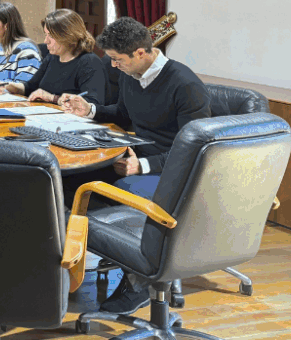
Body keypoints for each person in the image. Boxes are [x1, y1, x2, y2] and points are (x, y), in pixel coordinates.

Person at [59, 16, 211, 315]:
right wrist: (90, 111)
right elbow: (123, 114)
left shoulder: (186, 85)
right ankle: (63, 268)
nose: (114, 66)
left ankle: (139, 279)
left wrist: (141, 165)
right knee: (64, 183)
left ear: (140, 53)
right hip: (134, 156)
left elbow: (195, 152)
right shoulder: (133, 75)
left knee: (116, 189)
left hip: (172, 172)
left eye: (117, 60)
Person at [0, 8, 106, 104]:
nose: (46, 41)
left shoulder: (89, 62)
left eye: (51, 36)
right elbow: (31, 86)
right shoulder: (53, 57)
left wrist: (53, 98)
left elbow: (92, 103)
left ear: (68, 36)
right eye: (46, 35)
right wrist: (12, 86)